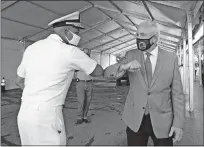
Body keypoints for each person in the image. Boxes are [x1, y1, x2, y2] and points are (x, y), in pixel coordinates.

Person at [16, 11, 103, 146]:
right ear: (67, 31)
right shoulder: (69, 51)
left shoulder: (32, 48)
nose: (78, 36)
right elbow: (98, 71)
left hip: (24, 114)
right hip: (48, 116)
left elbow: (19, 81)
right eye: (77, 32)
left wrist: (37, 97)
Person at [104, 20, 185, 146]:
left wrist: (178, 123)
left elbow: (178, 93)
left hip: (163, 121)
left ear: (154, 39)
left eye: (142, 35)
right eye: (137, 35)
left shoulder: (171, 58)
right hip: (135, 119)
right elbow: (107, 74)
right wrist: (124, 66)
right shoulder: (130, 55)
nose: (138, 38)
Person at [75, 48, 94, 125]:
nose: (86, 55)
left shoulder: (92, 62)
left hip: (89, 83)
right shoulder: (78, 62)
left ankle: (85, 117)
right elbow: (74, 69)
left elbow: (95, 71)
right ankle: (79, 117)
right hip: (80, 83)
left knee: (88, 101)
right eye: (85, 53)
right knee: (81, 101)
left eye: (88, 53)